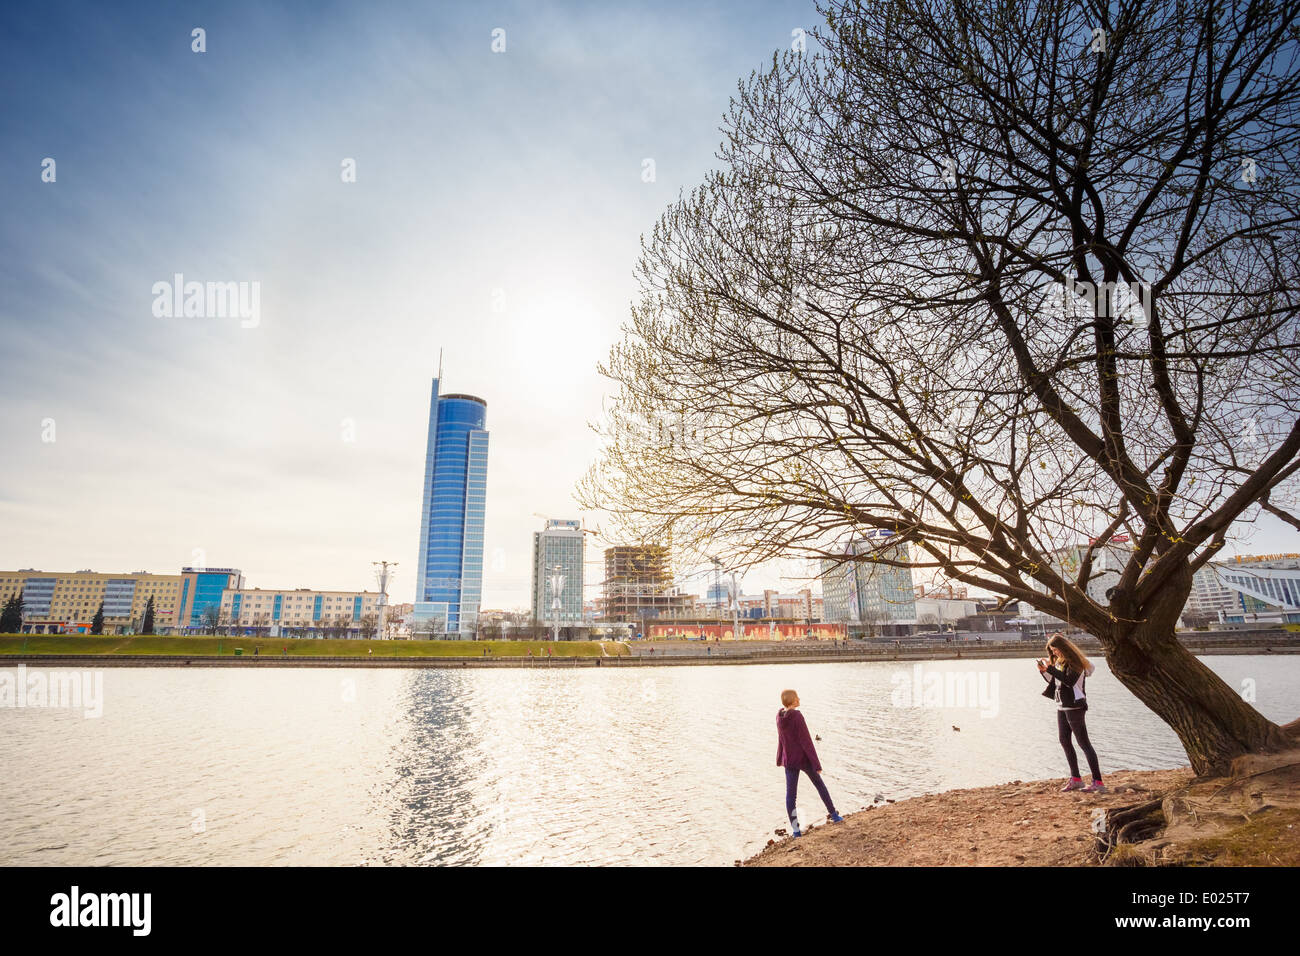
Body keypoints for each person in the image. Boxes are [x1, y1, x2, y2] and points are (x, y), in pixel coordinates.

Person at [1038, 633, 1106, 793]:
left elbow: (1069, 681)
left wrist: (1051, 669)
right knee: (1064, 740)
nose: (1054, 653)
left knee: (1084, 744)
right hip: (1061, 705)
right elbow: (1056, 682)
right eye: (1052, 651)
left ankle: (1098, 782)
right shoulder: (1060, 662)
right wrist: (1044, 671)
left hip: (1075, 706)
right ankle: (1076, 779)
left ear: (1063, 648)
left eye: (1055, 650)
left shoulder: (1076, 663)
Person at [776, 689, 843, 837]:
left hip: (789, 761)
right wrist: (816, 764)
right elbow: (806, 741)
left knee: (790, 795)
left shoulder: (779, 717)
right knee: (819, 785)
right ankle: (834, 815)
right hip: (803, 760)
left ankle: (795, 830)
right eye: (797, 697)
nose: (799, 699)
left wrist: (781, 758)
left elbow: (781, 740)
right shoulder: (797, 716)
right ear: (793, 701)